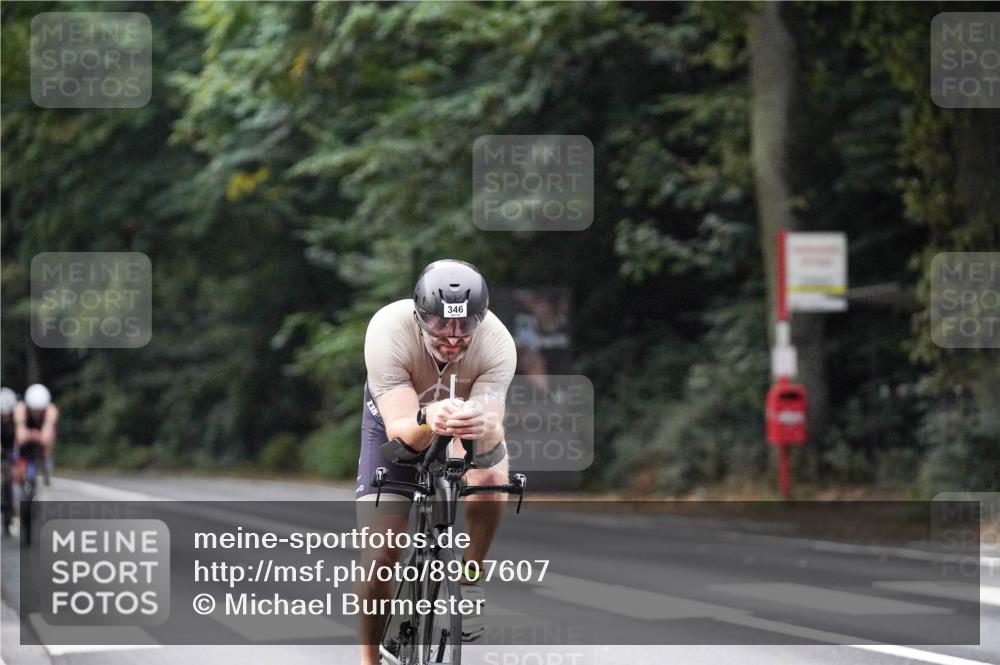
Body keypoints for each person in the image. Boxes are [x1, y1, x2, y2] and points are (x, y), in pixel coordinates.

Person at [355, 259, 516, 664]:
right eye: (441, 325)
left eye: (465, 326)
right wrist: (429, 416)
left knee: (492, 481)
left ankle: (471, 577)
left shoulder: (497, 342)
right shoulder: (387, 330)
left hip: (462, 419)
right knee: (380, 558)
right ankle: (369, 660)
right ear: (419, 314)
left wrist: (478, 422)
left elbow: (490, 420)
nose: (453, 337)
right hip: (400, 424)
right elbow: (401, 432)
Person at [13, 384, 59, 490]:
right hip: (27, 432)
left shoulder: (51, 410)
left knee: (49, 440)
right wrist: (32, 435)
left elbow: (46, 436)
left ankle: (46, 459)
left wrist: (35, 435)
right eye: (33, 410)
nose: (36, 413)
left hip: (42, 432)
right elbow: (20, 436)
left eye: (39, 410)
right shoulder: (20, 409)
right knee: (18, 445)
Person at [1, 387, 17, 535]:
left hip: (12, 450)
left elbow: (19, 439)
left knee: (14, 476)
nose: (5, 418)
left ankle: (13, 507)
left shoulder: (17, 419)